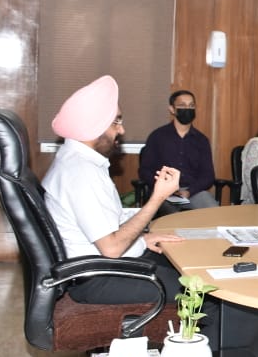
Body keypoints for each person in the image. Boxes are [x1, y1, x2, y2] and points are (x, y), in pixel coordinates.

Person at [42, 75, 185, 304]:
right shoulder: (81, 173)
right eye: (116, 122)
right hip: (99, 278)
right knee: (199, 290)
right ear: (95, 125)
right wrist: (157, 198)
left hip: (101, 266)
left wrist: (143, 240)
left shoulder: (75, 160)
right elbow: (112, 248)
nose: (121, 129)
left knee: (184, 264)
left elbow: (107, 226)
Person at [139, 89, 219, 208]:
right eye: (182, 105)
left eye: (191, 106)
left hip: (193, 192)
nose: (187, 109)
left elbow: (208, 176)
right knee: (171, 214)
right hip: (164, 193)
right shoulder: (157, 137)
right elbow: (145, 170)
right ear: (172, 109)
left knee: (212, 210)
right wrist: (164, 188)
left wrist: (189, 192)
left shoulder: (201, 140)